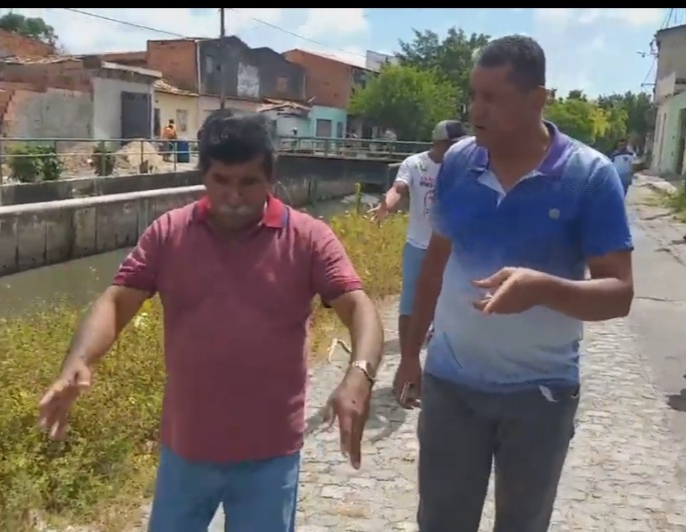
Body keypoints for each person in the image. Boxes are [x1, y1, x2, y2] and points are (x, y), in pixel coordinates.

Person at [38, 110, 384, 532]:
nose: (234, 196)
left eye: (248, 182)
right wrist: (80, 360)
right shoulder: (170, 233)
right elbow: (116, 301)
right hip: (186, 451)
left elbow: (358, 306)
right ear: (204, 176)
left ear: (271, 179)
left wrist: (359, 375)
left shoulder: (308, 238)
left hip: (270, 454)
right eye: (221, 180)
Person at [394, 35, 634, 532]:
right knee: (440, 521)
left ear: (537, 99)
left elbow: (619, 293)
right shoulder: (458, 163)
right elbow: (434, 266)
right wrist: (410, 355)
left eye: (493, 98)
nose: (476, 111)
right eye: (473, 95)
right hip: (451, 388)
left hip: (540, 397)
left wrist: (542, 287)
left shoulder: (588, 177)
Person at [370, 119, 467, 372]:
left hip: (450, 248)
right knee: (410, 305)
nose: (456, 150)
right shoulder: (415, 164)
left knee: (446, 305)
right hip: (418, 245)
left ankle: (438, 366)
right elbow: (398, 188)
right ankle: (407, 361)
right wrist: (387, 205)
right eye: (452, 145)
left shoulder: (462, 167)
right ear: (438, 143)